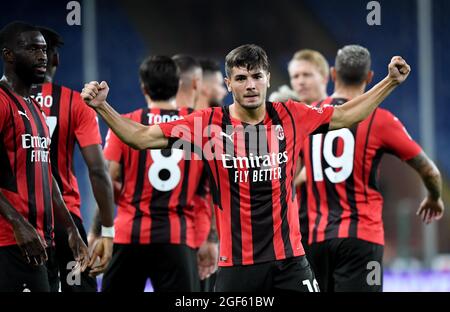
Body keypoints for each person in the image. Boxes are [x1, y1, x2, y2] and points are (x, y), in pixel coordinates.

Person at [81, 44, 412, 292]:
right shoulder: (208, 125)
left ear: (267, 77)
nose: (250, 84)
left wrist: (389, 83)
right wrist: (103, 108)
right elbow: (139, 137)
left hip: (291, 262)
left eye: (256, 76)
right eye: (241, 78)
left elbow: (347, 115)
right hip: (237, 267)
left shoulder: (292, 115)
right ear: (229, 84)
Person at [300, 45, 444, 292]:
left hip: (314, 241)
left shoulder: (307, 115)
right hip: (361, 240)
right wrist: (434, 197)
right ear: (369, 77)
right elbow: (429, 171)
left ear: (334, 74)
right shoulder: (381, 120)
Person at [99, 55, 211, 292]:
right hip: (177, 237)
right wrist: (211, 238)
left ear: (144, 87)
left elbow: (108, 179)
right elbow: (211, 189)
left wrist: (98, 230)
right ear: (178, 84)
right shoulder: (199, 127)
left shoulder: (127, 123)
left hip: (130, 234)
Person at [0, 21, 88, 292]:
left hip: (41, 241)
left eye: (44, 50)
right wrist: (18, 224)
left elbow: (45, 175)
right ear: (8, 55)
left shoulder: (34, 108)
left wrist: (71, 228)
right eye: (32, 49)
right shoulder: (1, 102)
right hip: (10, 242)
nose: (42, 56)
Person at [29, 26, 115, 292]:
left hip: (17, 221)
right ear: (56, 60)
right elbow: (98, 171)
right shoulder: (75, 103)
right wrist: (107, 231)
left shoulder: (4, 100)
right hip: (67, 221)